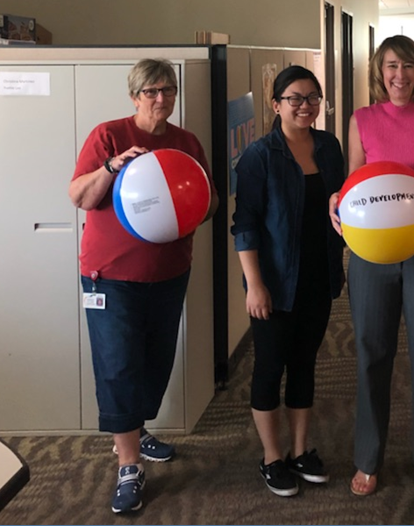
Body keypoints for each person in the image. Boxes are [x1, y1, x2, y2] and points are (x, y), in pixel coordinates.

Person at [68, 58, 218, 514]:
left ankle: (135, 428)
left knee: (156, 360)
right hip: (109, 276)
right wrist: (113, 166)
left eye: (167, 90)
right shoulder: (108, 136)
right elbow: (79, 197)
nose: (160, 99)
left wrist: (189, 206)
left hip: (169, 272)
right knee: (117, 364)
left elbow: (207, 203)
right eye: (151, 91)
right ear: (134, 96)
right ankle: (129, 463)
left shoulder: (185, 142)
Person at [328, 34, 414, 498]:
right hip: (372, 255)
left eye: (409, 66)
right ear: (379, 70)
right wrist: (338, 200)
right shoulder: (362, 119)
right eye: (391, 66)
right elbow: (354, 180)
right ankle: (368, 457)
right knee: (371, 353)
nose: (400, 76)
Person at [231, 66, 345, 498]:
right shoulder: (260, 156)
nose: (305, 106)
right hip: (275, 283)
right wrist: (254, 283)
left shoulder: (329, 146)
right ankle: (272, 457)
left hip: (320, 275)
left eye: (313, 98)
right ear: (276, 104)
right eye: (295, 98)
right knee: (269, 367)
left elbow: (341, 201)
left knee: (305, 364)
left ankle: (300, 450)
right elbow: (246, 225)